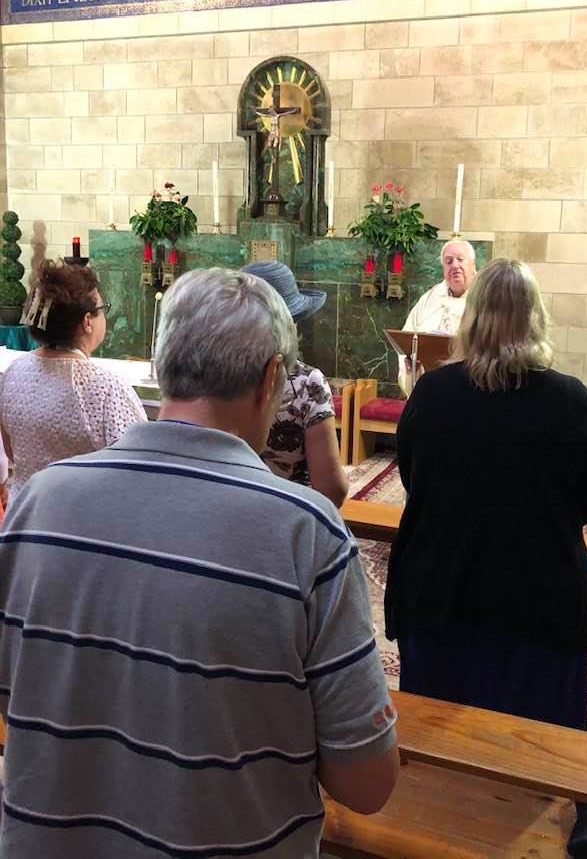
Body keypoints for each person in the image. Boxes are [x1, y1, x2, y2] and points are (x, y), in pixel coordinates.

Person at [0, 267, 398, 859]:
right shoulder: (306, 534)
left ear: (160, 369)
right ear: (270, 380)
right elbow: (366, 784)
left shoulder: (38, 503)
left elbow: (15, 695)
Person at [385, 258, 587, 731]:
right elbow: (585, 500)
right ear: (535, 318)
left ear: (473, 318)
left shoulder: (432, 394)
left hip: (442, 591)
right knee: (537, 753)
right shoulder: (570, 401)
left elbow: (412, 480)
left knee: (440, 748)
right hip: (539, 599)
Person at [0, 259, 146, 506]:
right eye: (102, 309)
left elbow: (12, 449)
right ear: (87, 321)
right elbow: (137, 470)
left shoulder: (13, 373)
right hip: (79, 523)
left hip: (25, 514)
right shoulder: (105, 388)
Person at [244, 260, 349, 508]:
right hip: (287, 513)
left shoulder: (213, 374)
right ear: (292, 324)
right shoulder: (307, 383)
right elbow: (331, 489)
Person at [397, 239, 477, 395]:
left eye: (460, 259)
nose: (454, 265)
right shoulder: (429, 299)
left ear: (473, 264)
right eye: (448, 261)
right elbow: (407, 338)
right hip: (431, 388)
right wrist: (410, 363)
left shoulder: (485, 297)